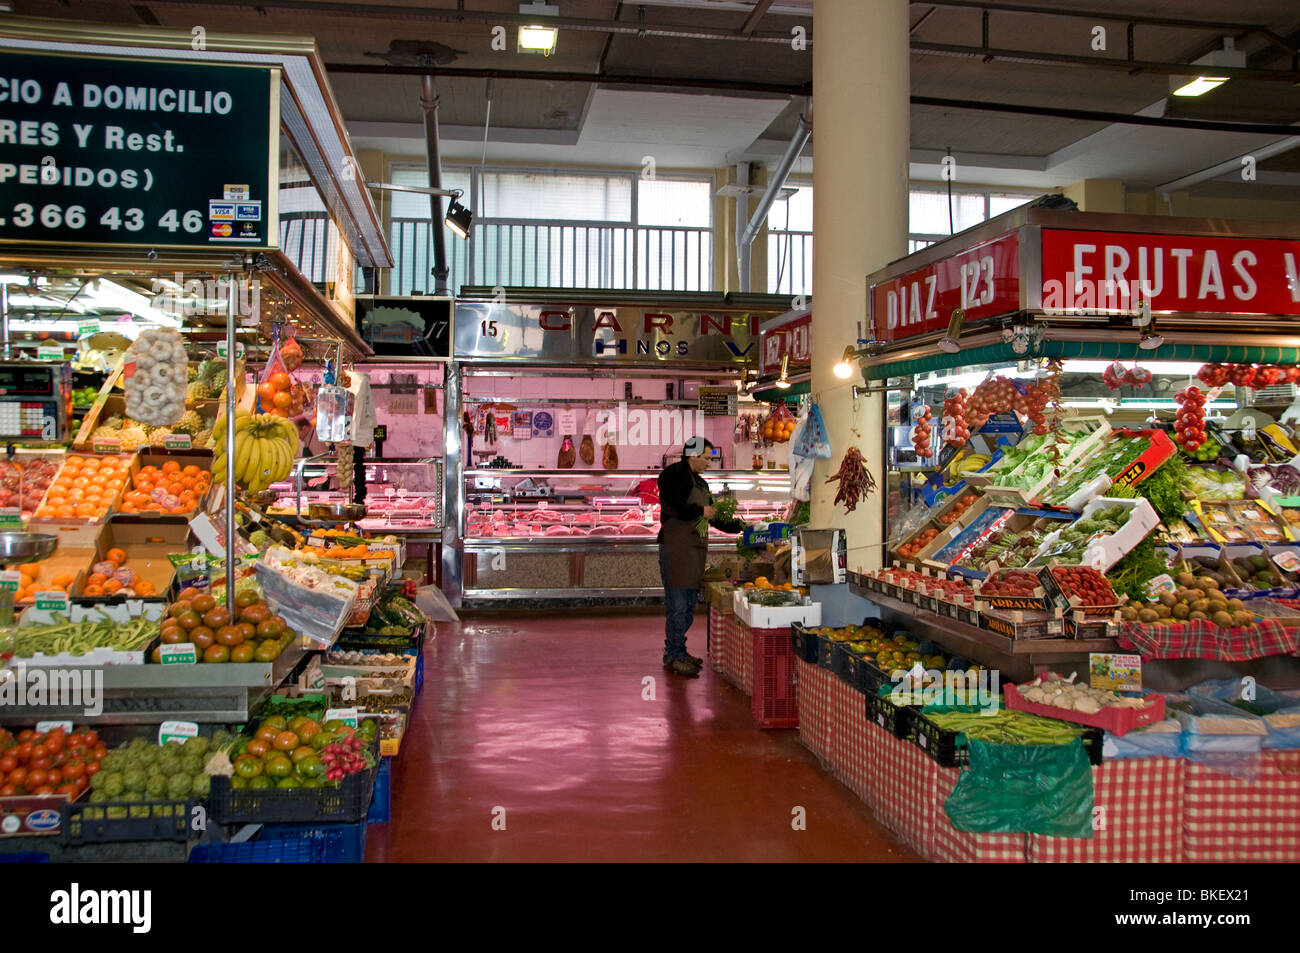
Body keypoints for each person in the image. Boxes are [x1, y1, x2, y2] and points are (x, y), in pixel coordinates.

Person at [657, 436, 745, 677]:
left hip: (694, 549)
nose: (709, 463)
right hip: (676, 548)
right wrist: (700, 510)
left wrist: (741, 527)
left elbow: (714, 516)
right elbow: (673, 505)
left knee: (687, 605)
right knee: (677, 604)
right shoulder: (672, 475)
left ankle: (679, 650)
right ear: (692, 455)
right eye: (706, 458)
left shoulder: (702, 484)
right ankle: (673, 654)